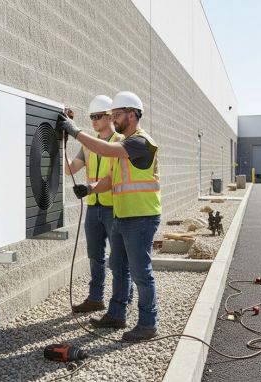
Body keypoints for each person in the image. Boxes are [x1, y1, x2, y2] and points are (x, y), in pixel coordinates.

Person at [57, 91, 161, 341]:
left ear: (132, 114)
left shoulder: (139, 142)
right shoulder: (127, 142)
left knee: (140, 273)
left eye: (117, 114)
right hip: (125, 215)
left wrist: (74, 130)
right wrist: (90, 188)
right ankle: (116, 314)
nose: (113, 119)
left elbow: (104, 148)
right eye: (111, 114)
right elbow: (111, 178)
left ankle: (148, 324)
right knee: (118, 266)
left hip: (141, 217)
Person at [64, 95, 123, 313]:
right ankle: (95, 298)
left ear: (110, 117)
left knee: (118, 259)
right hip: (93, 208)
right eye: (91, 117)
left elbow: (112, 179)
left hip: (114, 208)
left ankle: (122, 302)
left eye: (98, 116)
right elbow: (70, 169)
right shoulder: (88, 146)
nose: (94, 121)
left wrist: (90, 187)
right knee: (95, 257)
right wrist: (61, 144)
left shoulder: (120, 142)